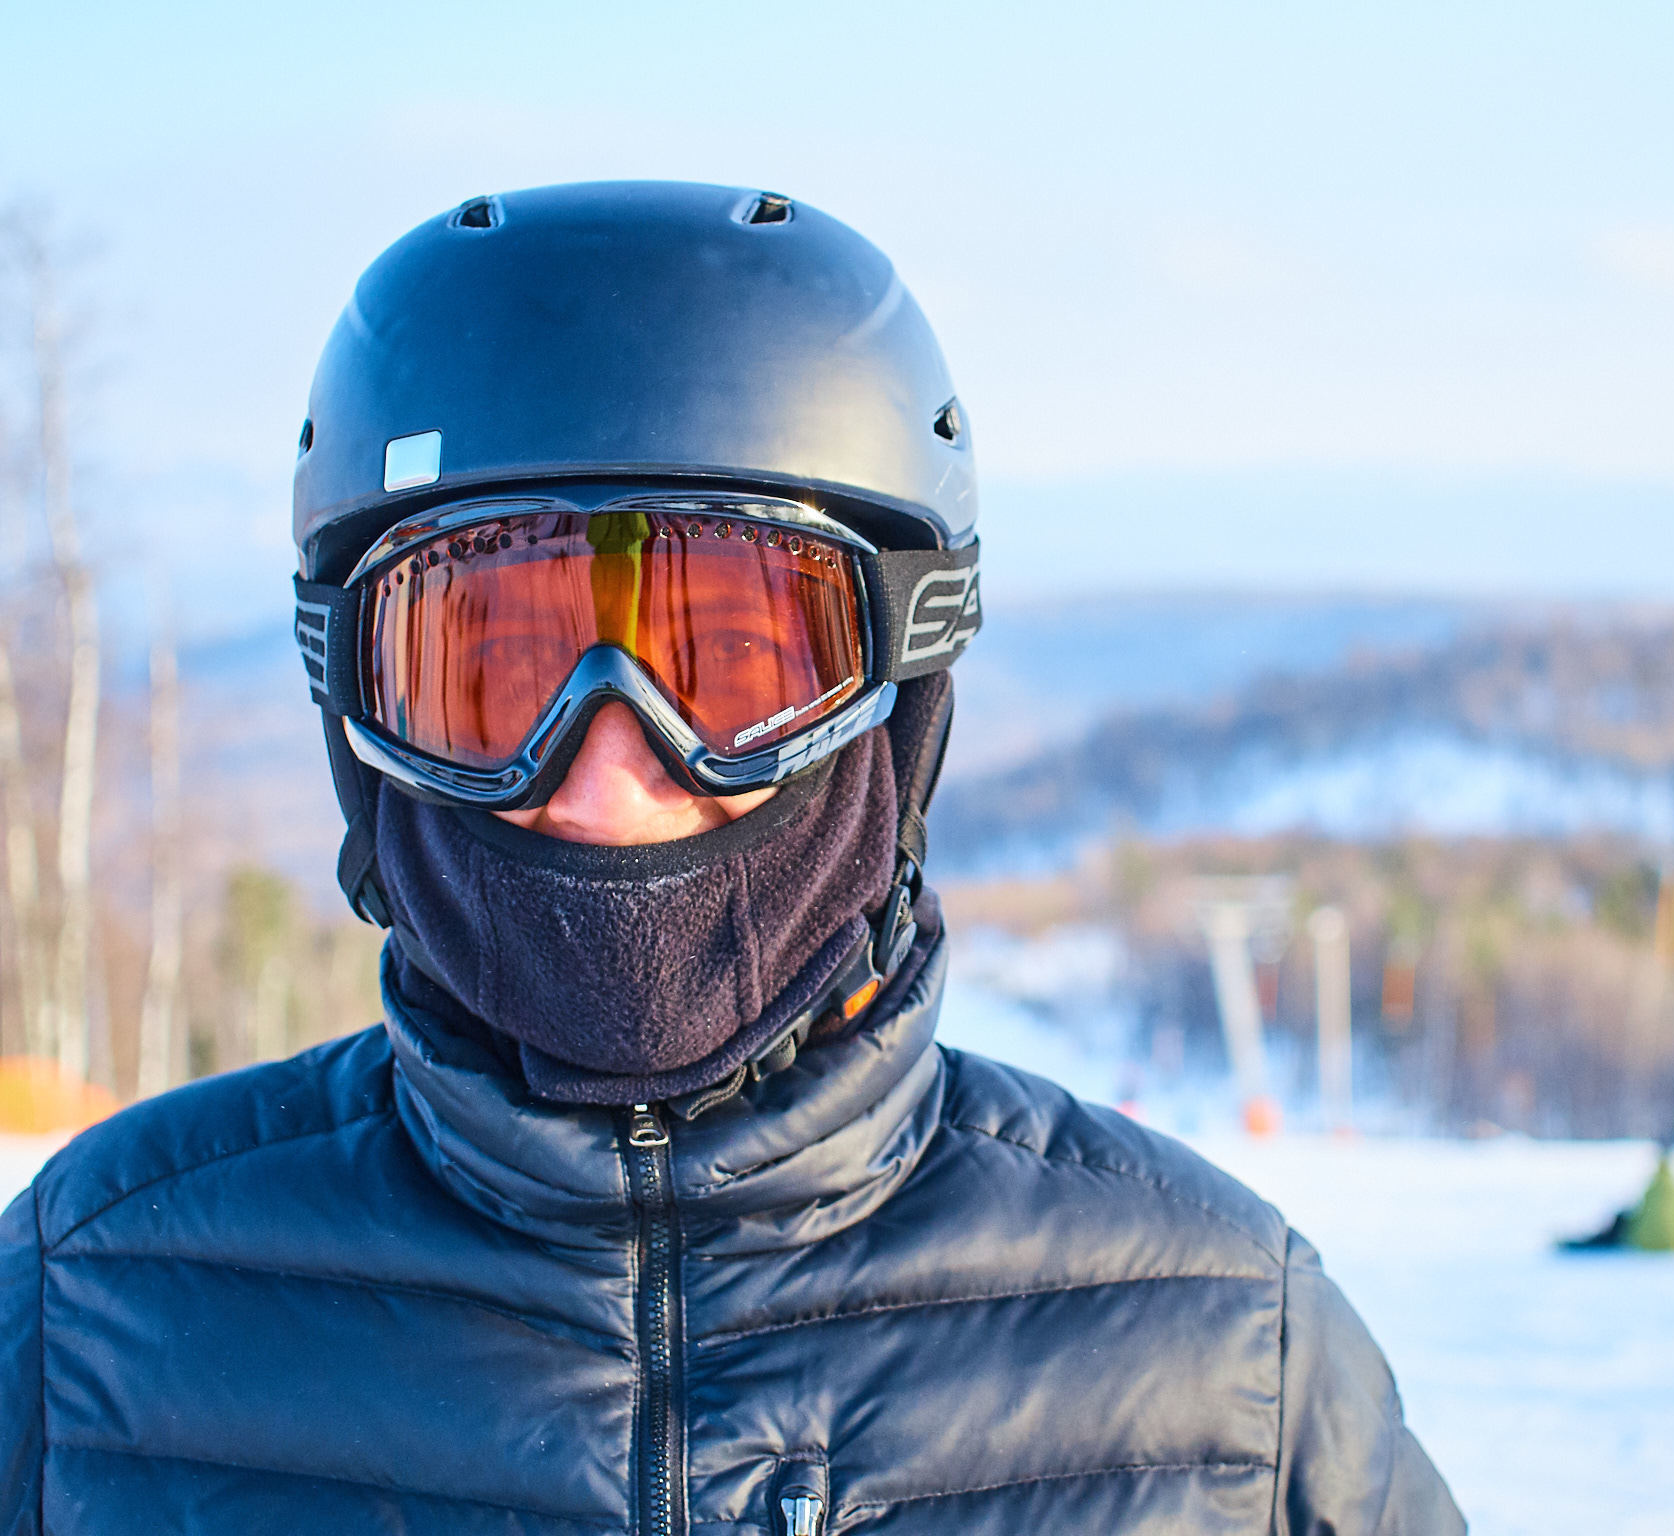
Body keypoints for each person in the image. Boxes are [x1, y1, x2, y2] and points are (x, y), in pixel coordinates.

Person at [0, 182, 1462, 1534]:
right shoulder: (91, 1320)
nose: (611, 764)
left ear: (903, 691)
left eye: (732, 667)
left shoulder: (1221, 1369)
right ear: (357, 714)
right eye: (492, 674)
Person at [1560, 1149, 1674, 1252]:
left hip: (1643, 1243)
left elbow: (1641, 1215)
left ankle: (1581, 1243)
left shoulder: (1652, 1187)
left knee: (1620, 1221)